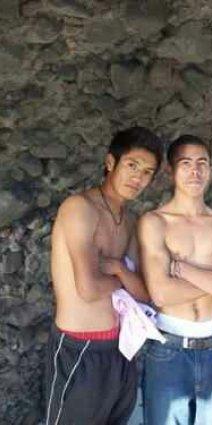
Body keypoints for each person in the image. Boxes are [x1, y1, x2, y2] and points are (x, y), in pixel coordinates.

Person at [45, 126, 163, 425]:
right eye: (132, 165)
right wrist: (123, 279)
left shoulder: (131, 221)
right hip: (79, 348)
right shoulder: (80, 208)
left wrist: (119, 268)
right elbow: (88, 289)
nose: (138, 177)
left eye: (147, 172)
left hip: (120, 348)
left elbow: (145, 293)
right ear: (111, 162)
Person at [138, 134, 212, 425]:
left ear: (211, 169)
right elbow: (162, 294)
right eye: (185, 163)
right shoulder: (155, 222)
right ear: (171, 171)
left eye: (202, 163)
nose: (195, 171)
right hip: (168, 348)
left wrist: (185, 270)